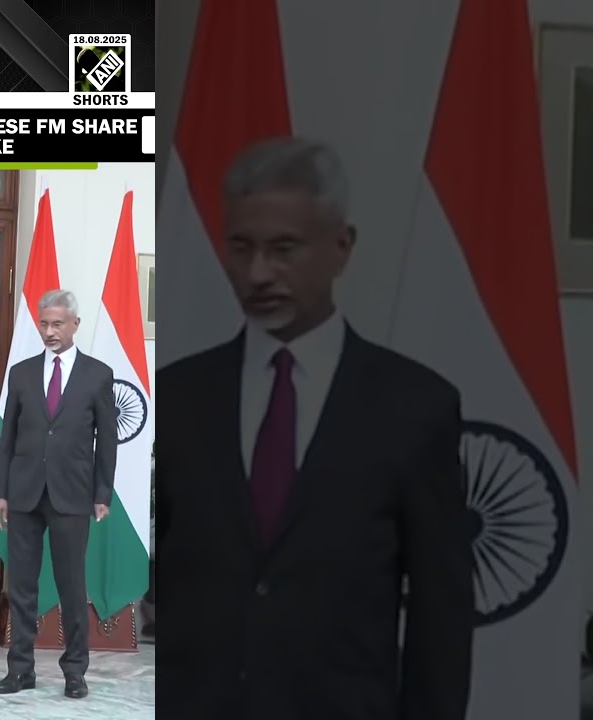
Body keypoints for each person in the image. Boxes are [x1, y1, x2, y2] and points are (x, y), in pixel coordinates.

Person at [155, 137, 473, 719]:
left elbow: (441, 623)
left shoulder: (414, 408)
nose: (257, 273)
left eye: (284, 250)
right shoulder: (177, 398)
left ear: (341, 248)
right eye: (241, 247)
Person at [0, 289, 118, 700]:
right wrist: (0, 493)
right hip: (24, 494)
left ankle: (75, 672)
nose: (49, 331)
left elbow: (108, 441)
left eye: (57, 324)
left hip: (73, 495)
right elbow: (6, 438)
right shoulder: (22, 373)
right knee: (23, 586)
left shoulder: (97, 374)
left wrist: (103, 492)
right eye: (44, 324)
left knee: (71, 587)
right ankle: (20, 670)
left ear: (75, 325)